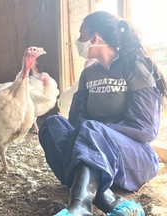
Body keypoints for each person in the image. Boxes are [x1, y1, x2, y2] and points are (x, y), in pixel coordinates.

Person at [39, 11, 167, 216]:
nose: (78, 42)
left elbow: (145, 129)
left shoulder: (136, 68)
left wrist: (101, 131)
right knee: (52, 124)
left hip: (134, 157)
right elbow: (74, 121)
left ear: (95, 38)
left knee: (91, 129)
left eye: (81, 35)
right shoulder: (89, 74)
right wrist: (93, 133)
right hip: (91, 147)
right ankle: (110, 201)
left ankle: (80, 206)